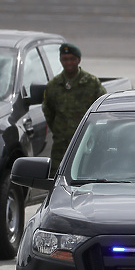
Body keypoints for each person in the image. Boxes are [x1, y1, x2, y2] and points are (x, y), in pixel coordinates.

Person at [43, 43, 107, 174]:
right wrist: (60, 130)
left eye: (72, 59)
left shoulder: (92, 83)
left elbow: (102, 111)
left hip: (87, 145)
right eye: (65, 59)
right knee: (56, 178)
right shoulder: (54, 85)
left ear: (79, 60)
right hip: (61, 147)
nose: (69, 63)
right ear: (60, 60)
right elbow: (49, 112)